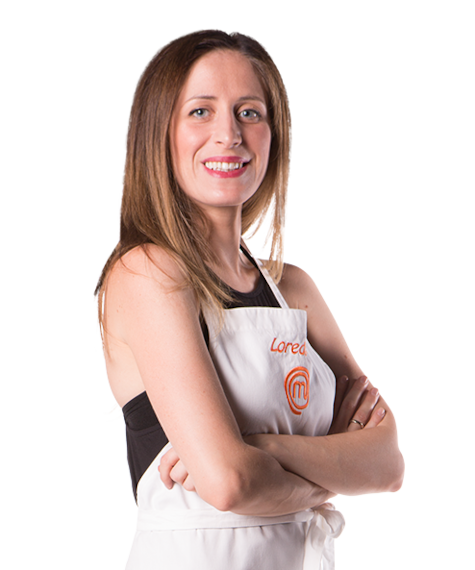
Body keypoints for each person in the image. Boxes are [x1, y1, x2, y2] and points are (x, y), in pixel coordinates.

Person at [94, 27, 405, 570]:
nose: (229, 135)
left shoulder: (295, 289)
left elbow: (387, 464)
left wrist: (265, 448)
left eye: (249, 113)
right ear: (158, 131)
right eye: (200, 111)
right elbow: (229, 483)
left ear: (273, 134)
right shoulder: (147, 273)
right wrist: (332, 476)